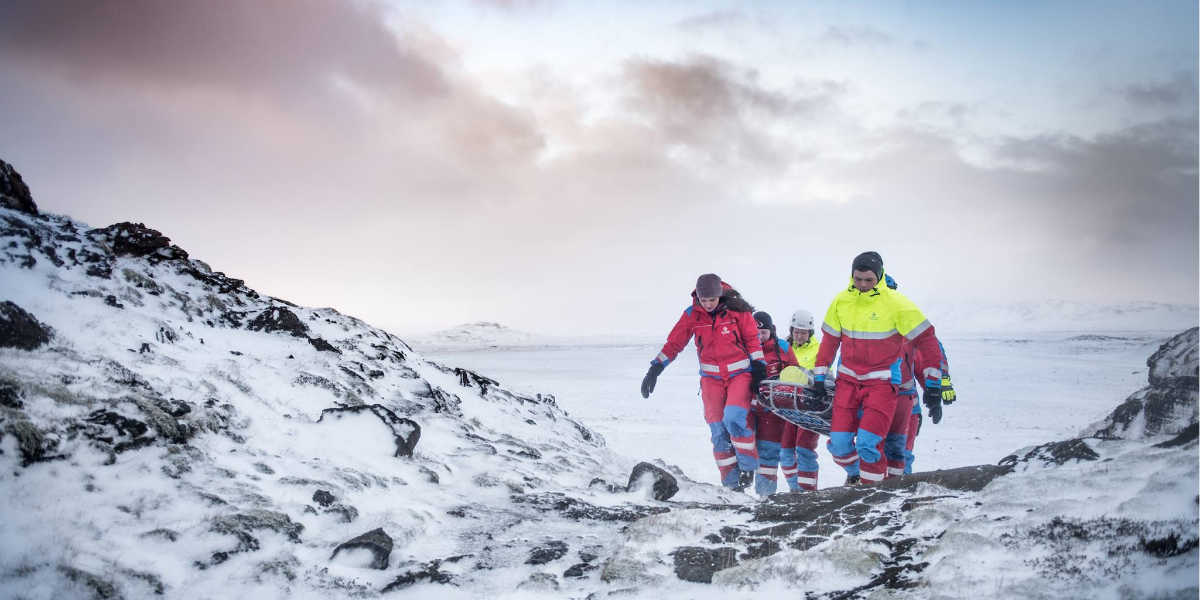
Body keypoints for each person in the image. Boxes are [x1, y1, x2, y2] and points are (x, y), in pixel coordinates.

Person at [810, 252, 944, 485]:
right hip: (848, 383)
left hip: (882, 385)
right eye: (857, 279)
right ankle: (859, 474)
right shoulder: (841, 301)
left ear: (879, 276)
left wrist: (934, 385)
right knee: (839, 446)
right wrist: (820, 376)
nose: (861, 285)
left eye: (868, 280)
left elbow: (928, 341)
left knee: (868, 445)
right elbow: (830, 340)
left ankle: (872, 497)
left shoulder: (896, 303)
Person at [641, 274, 768, 490]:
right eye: (704, 300)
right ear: (697, 297)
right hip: (711, 379)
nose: (708, 305)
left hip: (740, 375)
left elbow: (752, 340)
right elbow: (674, 343)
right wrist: (655, 368)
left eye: (712, 300)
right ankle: (730, 484)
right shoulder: (692, 315)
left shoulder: (738, 310)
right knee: (718, 430)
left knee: (734, 418)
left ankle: (748, 466)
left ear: (720, 295)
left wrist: (759, 367)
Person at [750, 311, 796, 495]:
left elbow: (795, 374)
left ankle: (765, 497)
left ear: (771, 331)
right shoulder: (742, 346)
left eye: (763, 333)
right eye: (756, 333)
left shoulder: (784, 348)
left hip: (773, 410)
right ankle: (736, 489)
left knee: (769, 452)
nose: (760, 337)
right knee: (742, 445)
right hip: (748, 406)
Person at [778, 309, 823, 491]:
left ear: (810, 333)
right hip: (788, 407)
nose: (799, 336)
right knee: (786, 453)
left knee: (804, 450)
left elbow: (825, 373)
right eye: (796, 332)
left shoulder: (819, 349)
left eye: (803, 333)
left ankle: (808, 493)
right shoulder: (784, 347)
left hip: (810, 408)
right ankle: (794, 491)